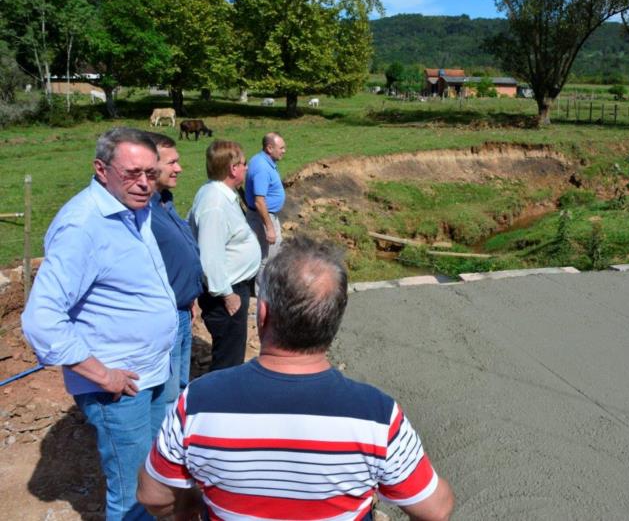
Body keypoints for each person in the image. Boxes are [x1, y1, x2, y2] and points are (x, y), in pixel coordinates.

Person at [138, 235, 455, 521]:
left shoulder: (197, 402)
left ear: (262, 315)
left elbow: (153, 497)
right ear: (333, 321)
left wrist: (197, 504)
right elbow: (436, 509)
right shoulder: (378, 416)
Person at [22, 127, 178, 520]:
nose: (144, 183)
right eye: (132, 173)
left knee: (158, 478)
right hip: (119, 387)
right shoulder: (83, 226)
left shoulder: (133, 209)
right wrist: (102, 375)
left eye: (150, 172)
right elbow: (42, 320)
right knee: (134, 494)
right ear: (100, 169)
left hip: (152, 370)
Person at [188, 140, 260, 372]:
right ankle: (220, 403)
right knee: (228, 360)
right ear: (233, 168)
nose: (247, 168)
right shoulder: (215, 205)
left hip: (231, 287)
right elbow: (210, 257)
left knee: (231, 352)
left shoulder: (218, 194)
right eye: (244, 163)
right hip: (225, 293)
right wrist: (227, 295)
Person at [146, 132, 203, 405]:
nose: (179, 168)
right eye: (172, 162)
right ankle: (164, 443)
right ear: (150, 164)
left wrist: (189, 296)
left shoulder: (164, 201)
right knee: (166, 394)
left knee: (180, 383)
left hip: (182, 310)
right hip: (163, 317)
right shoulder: (141, 210)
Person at [245, 132, 286, 279]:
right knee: (267, 259)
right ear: (269, 148)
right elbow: (259, 201)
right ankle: (263, 296)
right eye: (281, 148)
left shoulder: (260, 160)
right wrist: (269, 228)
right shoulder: (262, 167)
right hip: (263, 216)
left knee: (270, 256)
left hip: (264, 215)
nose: (284, 151)